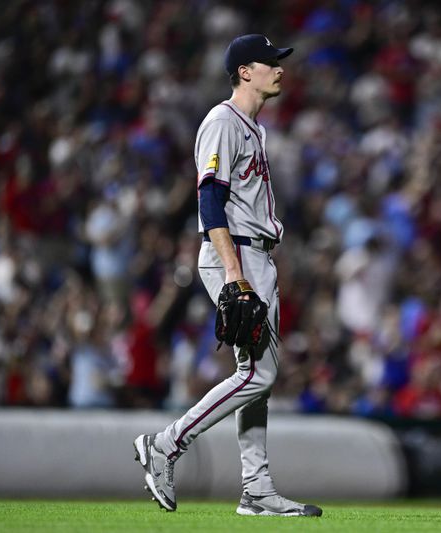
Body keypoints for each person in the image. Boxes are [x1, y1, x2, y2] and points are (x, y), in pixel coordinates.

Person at [133, 34, 322, 517]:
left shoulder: (254, 129)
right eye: (270, 62)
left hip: (255, 253)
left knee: (257, 376)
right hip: (233, 253)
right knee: (258, 373)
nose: (280, 69)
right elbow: (209, 202)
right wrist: (236, 275)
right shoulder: (222, 121)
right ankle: (167, 443)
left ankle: (256, 488)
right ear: (244, 71)